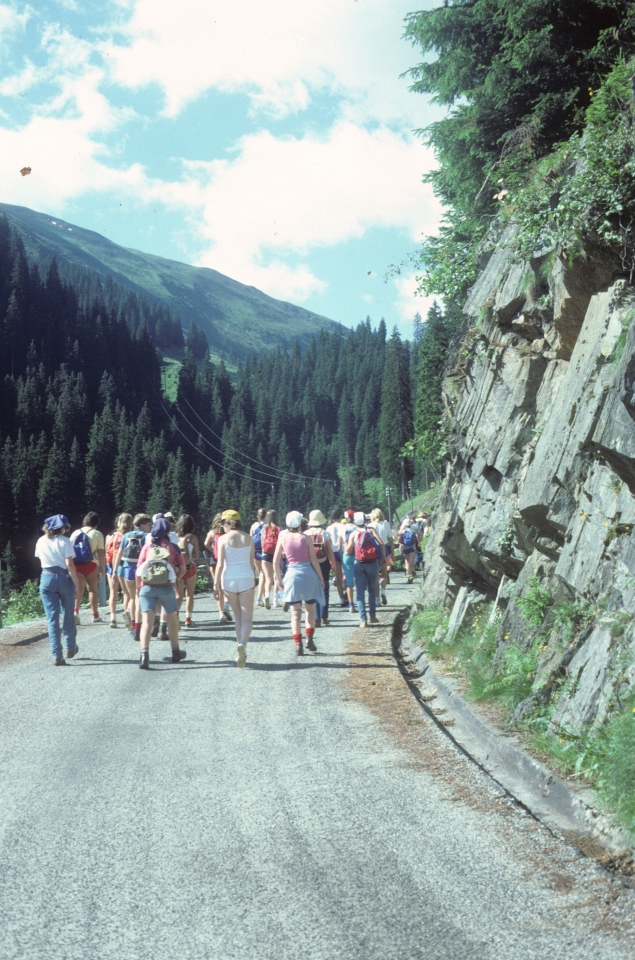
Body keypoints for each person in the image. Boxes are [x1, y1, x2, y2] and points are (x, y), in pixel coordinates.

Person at [135, 517, 187, 669]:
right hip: (166, 587)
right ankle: (175, 651)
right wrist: (174, 579)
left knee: (147, 621)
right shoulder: (172, 547)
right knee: (171, 618)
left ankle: (144, 655)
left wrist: (140, 587)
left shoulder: (147, 547)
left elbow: (139, 570)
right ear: (167, 531)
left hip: (147, 587)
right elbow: (183, 568)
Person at [274, 511, 325, 655]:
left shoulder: (282, 538)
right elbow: (314, 560)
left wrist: (278, 579)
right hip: (308, 574)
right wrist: (321, 578)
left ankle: (298, 644)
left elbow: (275, 561)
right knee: (310, 609)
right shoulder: (306, 538)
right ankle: (309, 638)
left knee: (295, 613)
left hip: (292, 576)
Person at [35, 514, 80, 665]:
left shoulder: (40, 540)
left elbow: (40, 558)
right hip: (64, 577)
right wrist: (77, 584)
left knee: (52, 618)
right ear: (62, 528)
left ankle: (57, 655)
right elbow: (70, 564)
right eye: (66, 527)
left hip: (46, 578)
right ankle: (70, 647)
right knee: (68, 614)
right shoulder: (65, 541)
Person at [214, 509, 256, 668]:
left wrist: (215, 585)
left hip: (229, 578)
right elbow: (252, 563)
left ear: (227, 523)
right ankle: (243, 645)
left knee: (238, 618)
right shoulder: (249, 538)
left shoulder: (222, 539)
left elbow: (219, 564)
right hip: (246, 577)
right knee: (247, 619)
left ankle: (240, 647)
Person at [113, 514, 152, 640]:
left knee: (131, 596)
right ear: (142, 524)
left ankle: (133, 625)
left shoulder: (127, 535)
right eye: (148, 524)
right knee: (139, 597)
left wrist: (114, 571)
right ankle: (139, 625)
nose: (150, 526)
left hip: (127, 568)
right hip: (141, 568)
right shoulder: (147, 536)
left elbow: (119, 554)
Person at [345, 512, 384, 628]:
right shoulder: (371, 530)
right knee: (371, 590)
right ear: (365, 520)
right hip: (372, 563)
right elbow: (381, 543)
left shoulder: (353, 533)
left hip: (359, 564)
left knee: (360, 592)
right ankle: (373, 616)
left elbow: (347, 552)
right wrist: (382, 558)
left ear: (355, 522)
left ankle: (363, 620)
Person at [71, 511, 106, 625]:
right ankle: (95, 615)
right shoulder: (97, 534)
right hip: (92, 564)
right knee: (92, 590)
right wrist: (103, 569)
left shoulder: (75, 532)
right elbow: (101, 553)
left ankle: (75, 613)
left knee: (78, 590)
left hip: (77, 565)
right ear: (96, 522)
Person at [307, 510, 335, 625]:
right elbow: (330, 551)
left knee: (313, 590)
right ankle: (324, 616)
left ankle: (316, 618)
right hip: (323, 562)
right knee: (324, 589)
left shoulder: (306, 534)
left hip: (310, 563)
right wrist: (334, 565)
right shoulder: (325, 533)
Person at [204, 513, 233, 624]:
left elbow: (206, 543)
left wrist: (213, 550)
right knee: (228, 586)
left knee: (218, 587)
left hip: (214, 561)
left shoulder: (212, 533)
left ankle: (221, 613)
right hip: (226, 560)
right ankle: (226, 605)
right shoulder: (228, 532)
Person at [105, 513, 132, 628]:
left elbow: (106, 551)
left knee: (113, 593)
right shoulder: (129, 536)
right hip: (122, 564)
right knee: (127, 593)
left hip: (110, 565)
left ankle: (113, 618)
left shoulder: (110, 536)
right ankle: (127, 617)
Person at [175, 514, 200, 628]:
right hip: (190, 568)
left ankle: (175, 618)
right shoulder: (193, 538)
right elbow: (197, 555)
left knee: (178, 595)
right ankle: (188, 620)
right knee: (189, 595)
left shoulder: (175, 537)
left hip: (178, 568)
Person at [369, 508, 393, 607]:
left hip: (373, 550)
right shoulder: (386, 524)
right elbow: (391, 539)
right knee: (384, 574)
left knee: (375, 576)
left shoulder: (370, 526)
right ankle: (383, 590)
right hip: (384, 549)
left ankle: (377, 599)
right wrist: (392, 554)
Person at [326, 508, 346, 607]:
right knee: (346, 573)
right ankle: (346, 591)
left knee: (338, 576)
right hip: (343, 550)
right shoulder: (343, 526)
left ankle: (341, 598)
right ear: (341, 516)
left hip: (333, 552)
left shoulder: (329, 528)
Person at [261, 509, 280, 608]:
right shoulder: (279, 529)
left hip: (265, 554)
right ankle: (276, 599)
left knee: (268, 578)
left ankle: (267, 595)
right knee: (277, 577)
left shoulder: (264, 529)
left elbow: (261, 543)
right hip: (276, 554)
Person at [341, 510, 357, 614]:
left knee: (349, 582)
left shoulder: (343, 528)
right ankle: (360, 601)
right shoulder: (357, 528)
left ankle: (351, 604)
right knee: (359, 580)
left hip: (346, 555)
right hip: (357, 555)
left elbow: (339, 544)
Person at [250, 508, 267, 606]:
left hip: (255, 552)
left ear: (258, 516)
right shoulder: (268, 525)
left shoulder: (253, 525)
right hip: (265, 551)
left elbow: (250, 538)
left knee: (261, 573)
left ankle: (263, 597)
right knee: (263, 574)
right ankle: (261, 598)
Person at [398, 517, 418, 584]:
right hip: (411, 548)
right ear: (410, 524)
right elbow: (417, 537)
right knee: (410, 562)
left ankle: (410, 572)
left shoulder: (402, 532)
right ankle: (410, 576)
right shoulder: (413, 531)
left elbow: (400, 540)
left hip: (405, 548)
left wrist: (401, 545)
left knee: (407, 561)